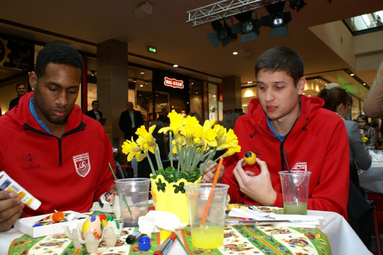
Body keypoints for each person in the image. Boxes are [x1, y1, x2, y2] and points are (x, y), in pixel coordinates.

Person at [203, 46, 350, 219]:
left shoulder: (329, 125)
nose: (267, 98)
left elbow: (333, 209)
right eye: (262, 87)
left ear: (300, 86)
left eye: (278, 87)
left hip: (310, 234)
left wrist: (271, 199)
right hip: (254, 234)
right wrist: (219, 183)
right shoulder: (244, 125)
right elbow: (235, 191)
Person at [0, 43, 116, 232]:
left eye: (72, 91)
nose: (63, 101)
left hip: (87, 238)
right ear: (33, 80)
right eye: (53, 88)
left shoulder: (95, 131)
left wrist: (112, 193)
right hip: (24, 242)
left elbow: (105, 184)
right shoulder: (3, 132)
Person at [317, 86, 371, 185]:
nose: (348, 111)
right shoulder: (348, 126)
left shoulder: (314, 125)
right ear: (342, 106)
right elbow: (365, 163)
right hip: (344, 182)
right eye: (348, 106)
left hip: (318, 181)